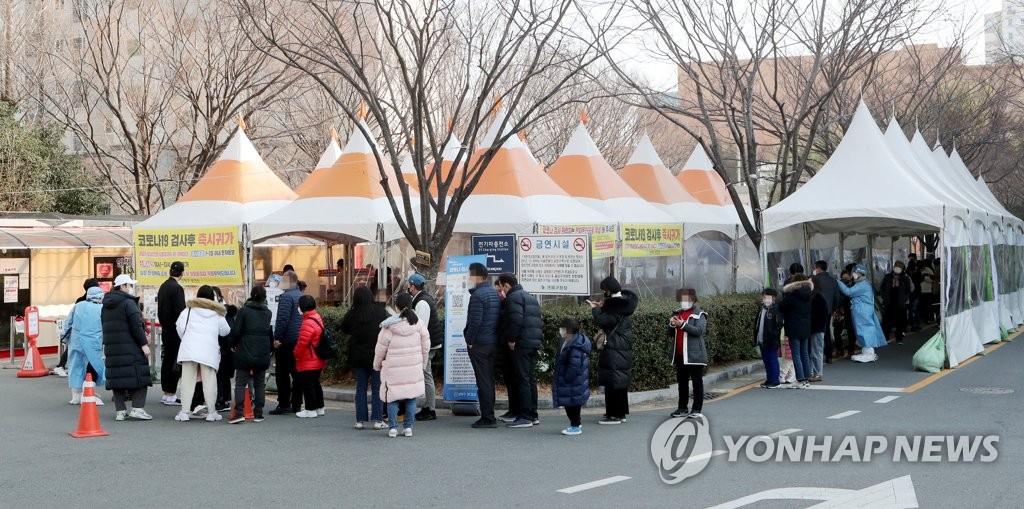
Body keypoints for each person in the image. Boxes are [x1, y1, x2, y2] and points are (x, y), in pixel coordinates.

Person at [374, 293, 430, 438]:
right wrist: (422, 365)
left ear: (397, 307)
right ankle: (408, 428)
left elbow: (380, 350)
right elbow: (426, 347)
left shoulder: (389, 326)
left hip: (393, 369)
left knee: (392, 397)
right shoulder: (419, 324)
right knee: (411, 397)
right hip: (413, 367)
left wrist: (377, 365)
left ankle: (393, 428)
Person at [174, 285, 230, 422]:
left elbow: (179, 327)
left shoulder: (188, 310)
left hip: (189, 350)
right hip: (208, 351)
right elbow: (226, 331)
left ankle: (185, 412)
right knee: (209, 382)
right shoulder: (216, 313)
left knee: (187, 382)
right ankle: (211, 412)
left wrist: (187, 339)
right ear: (213, 297)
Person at [102, 274, 153, 421]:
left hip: (112, 348)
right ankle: (137, 408)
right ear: (123, 286)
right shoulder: (128, 303)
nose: (131, 288)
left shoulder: (106, 305)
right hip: (131, 347)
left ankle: (120, 411)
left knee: (116, 378)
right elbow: (136, 326)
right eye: (129, 285)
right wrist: (144, 344)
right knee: (140, 376)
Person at [495, 273, 543, 428]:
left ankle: (525, 416)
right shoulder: (529, 297)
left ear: (506, 285)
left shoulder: (513, 297)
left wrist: (512, 339)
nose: (501, 290)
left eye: (501, 286)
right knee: (530, 378)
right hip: (532, 343)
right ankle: (533, 414)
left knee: (522, 379)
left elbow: (516, 319)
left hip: (521, 344)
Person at [591, 276, 639, 425]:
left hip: (614, 347)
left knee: (613, 381)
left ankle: (614, 415)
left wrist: (595, 310)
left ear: (609, 290)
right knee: (618, 381)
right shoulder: (624, 303)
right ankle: (620, 413)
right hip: (621, 347)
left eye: (604, 290)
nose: (603, 293)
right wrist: (602, 307)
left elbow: (604, 321)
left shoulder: (615, 306)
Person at [342, 286, 389, 429]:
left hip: (358, 356)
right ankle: (378, 420)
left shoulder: (352, 314)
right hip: (377, 355)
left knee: (360, 387)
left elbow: (344, 328)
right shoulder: (380, 312)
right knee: (377, 387)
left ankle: (360, 420)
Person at [464, 262, 501, 429]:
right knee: (489, 380)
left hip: (480, 344)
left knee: (483, 381)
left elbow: (475, 322)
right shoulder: (493, 293)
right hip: (492, 342)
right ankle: (489, 414)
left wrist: (470, 341)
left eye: (470, 274)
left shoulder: (477, 296)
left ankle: (488, 417)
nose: (468, 277)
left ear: (476, 276)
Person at [229, 286, 273, 424]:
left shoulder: (244, 311)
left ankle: (239, 412)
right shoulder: (268, 313)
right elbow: (269, 332)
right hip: (262, 351)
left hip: (245, 350)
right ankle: (259, 413)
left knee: (241, 382)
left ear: (252, 295)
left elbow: (236, 331)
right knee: (260, 383)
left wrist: (233, 344)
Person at [667, 288, 708, 418]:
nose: (684, 302)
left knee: (697, 382)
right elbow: (669, 334)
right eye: (682, 299)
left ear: (693, 299)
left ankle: (697, 409)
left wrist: (683, 324)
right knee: (682, 383)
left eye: (687, 299)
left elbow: (699, 331)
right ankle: (682, 408)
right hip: (680, 354)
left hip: (695, 355)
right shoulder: (677, 313)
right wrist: (672, 324)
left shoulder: (700, 314)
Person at [407, 273, 443, 421]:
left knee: (426, 375)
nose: (407, 288)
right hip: (431, 342)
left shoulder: (422, 303)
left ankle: (430, 409)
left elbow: (420, 327)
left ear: (413, 287)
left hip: (428, 344)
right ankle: (429, 407)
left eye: (408, 285)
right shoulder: (422, 299)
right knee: (426, 374)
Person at [65, 286, 107, 405]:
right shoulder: (101, 309)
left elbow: (68, 323)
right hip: (93, 341)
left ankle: (76, 395)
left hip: (76, 340)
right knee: (93, 365)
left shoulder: (78, 305)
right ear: (100, 296)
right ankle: (88, 392)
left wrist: (64, 337)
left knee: (76, 365)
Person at [837, 265, 887, 362]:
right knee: (862, 330)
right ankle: (866, 351)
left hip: (862, 311)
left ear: (861, 273)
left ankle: (869, 353)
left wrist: (839, 283)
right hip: (862, 310)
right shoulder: (864, 283)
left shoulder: (862, 285)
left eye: (856, 272)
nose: (854, 274)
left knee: (864, 330)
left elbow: (848, 292)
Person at [270, 270, 304, 415]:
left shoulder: (286, 297)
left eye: (283, 280)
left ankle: (284, 403)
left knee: (282, 373)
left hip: (287, 341)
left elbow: (282, 319)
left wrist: (277, 338)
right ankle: (297, 403)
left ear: (290, 281)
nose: (280, 283)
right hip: (299, 339)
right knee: (297, 373)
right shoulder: (301, 296)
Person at [552, 318, 591, 436]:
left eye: (562, 328)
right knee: (572, 403)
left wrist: (567, 378)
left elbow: (574, 365)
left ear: (567, 330)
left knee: (571, 404)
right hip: (574, 380)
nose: (560, 330)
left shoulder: (574, 346)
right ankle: (576, 423)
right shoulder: (570, 340)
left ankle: (575, 426)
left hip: (572, 380)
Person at [54, 278, 100, 377]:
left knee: (77, 351)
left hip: (80, 332)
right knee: (83, 352)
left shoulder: (80, 300)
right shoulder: (88, 301)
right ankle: (62, 366)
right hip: (86, 332)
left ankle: (66, 368)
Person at [157, 261, 186, 406]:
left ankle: (166, 393)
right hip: (176, 331)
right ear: (182, 273)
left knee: (167, 360)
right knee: (174, 361)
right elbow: (181, 313)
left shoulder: (163, 286)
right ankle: (171, 394)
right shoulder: (177, 289)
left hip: (165, 329)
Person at [293, 295, 326, 418]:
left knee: (308, 384)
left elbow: (302, 343)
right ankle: (319, 407)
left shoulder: (307, 322)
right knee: (315, 383)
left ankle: (310, 409)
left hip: (308, 358)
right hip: (317, 357)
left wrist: (295, 353)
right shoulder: (317, 317)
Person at [779, 273, 813, 389]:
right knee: (804, 353)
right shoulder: (809, 294)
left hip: (793, 326)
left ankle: (800, 379)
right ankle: (807, 378)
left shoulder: (792, 295)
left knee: (796, 354)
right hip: (806, 326)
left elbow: (781, 307)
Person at [212, 287, 237, 413]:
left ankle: (223, 400)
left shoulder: (224, 311)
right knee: (220, 375)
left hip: (224, 348)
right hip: (221, 347)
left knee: (222, 375)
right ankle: (221, 399)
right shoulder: (220, 311)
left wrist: (229, 347)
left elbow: (228, 331)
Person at [811, 260, 840, 367]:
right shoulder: (833, 281)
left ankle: (817, 358)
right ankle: (829, 356)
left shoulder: (814, 280)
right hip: (828, 311)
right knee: (827, 332)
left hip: (815, 310)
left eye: (815, 267)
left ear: (818, 268)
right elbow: (837, 297)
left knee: (815, 334)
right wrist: (833, 309)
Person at [755, 288, 784, 388]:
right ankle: (769, 379)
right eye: (764, 297)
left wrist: (773, 335)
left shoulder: (776, 309)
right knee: (766, 360)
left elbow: (779, 324)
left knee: (772, 359)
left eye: (767, 297)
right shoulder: (762, 308)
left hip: (772, 340)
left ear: (773, 298)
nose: (765, 299)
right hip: (762, 339)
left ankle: (775, 380)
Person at [879, 261, 913, 345]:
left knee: (899, 322)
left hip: (900, 303)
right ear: (894, 267)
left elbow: (908, 290)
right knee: (886, 321)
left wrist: (904, 299)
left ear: (902, 268)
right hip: (888, 302)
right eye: (897, 266)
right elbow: (882, 287)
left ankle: (899, 338)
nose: (898, 268)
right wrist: (884, 296)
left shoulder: (905, 278)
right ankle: (885, 338)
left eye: (900, 267)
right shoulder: (888, 277)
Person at [908, 261, 923, 332]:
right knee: (915, 310)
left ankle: (914, 325)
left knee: (912, 310)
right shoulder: (917, 274)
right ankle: (915, 325)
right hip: (915, 294)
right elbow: (921, 280)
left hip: (911, 295)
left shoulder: (907, 275)